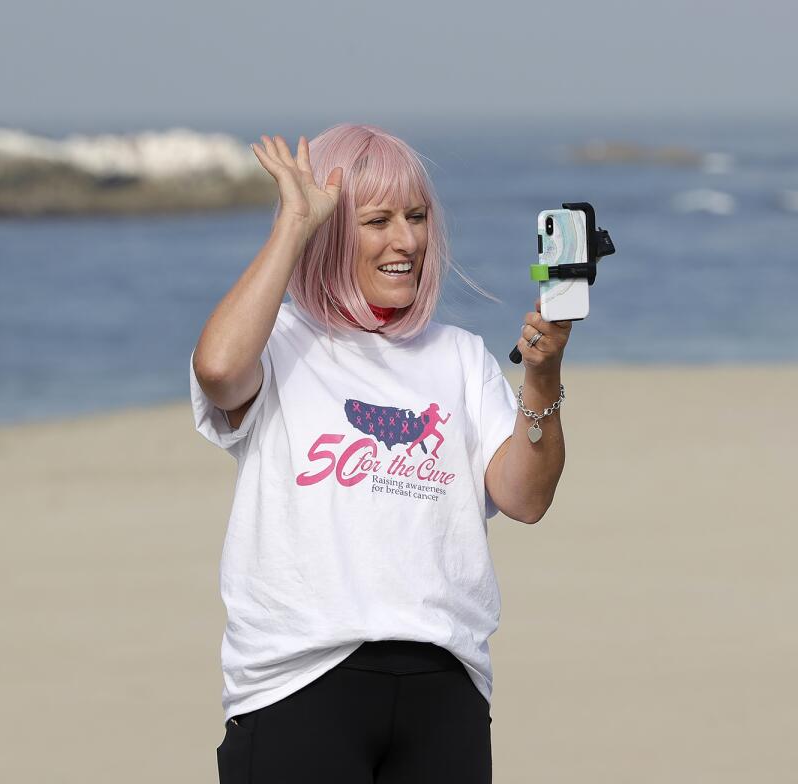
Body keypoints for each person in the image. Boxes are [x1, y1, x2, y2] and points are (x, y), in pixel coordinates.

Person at [189, 124, 570, 783]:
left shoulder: (458, 357)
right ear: (331, 231)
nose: (407, 240)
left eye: (417, 217)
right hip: (298, 682)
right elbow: (219, 369)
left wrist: (541, 378)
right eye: (378, 220)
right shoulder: (278, 342)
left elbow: (525, 497)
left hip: (443, 684)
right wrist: (293, 224)